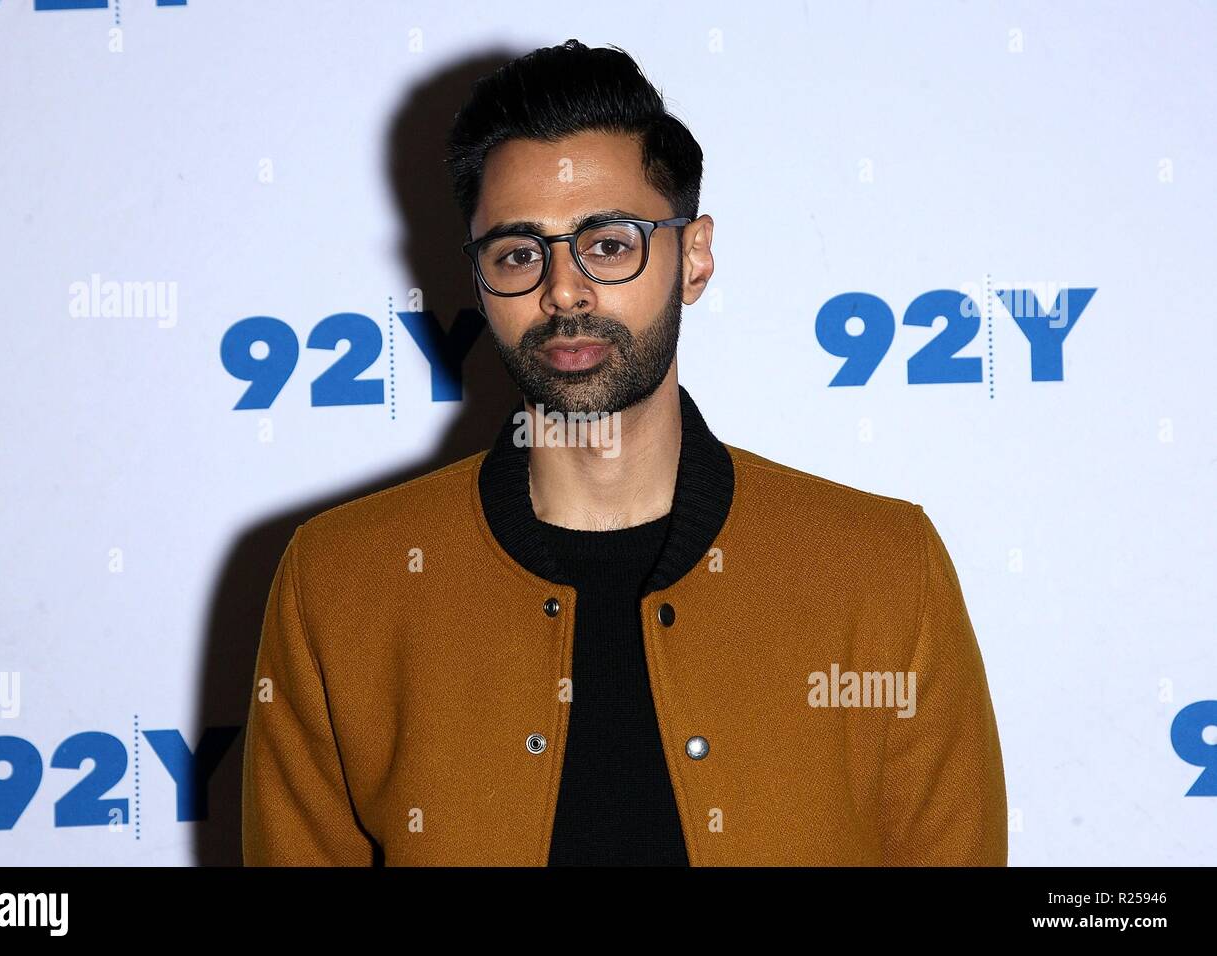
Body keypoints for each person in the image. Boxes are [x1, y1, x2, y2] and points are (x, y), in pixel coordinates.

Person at [241, 38, 1007, 866]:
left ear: (695, 256)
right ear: (478, 282)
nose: (563, 290)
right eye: (519, 254)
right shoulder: (342, 582)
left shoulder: (884, 571)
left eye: (609, 244)